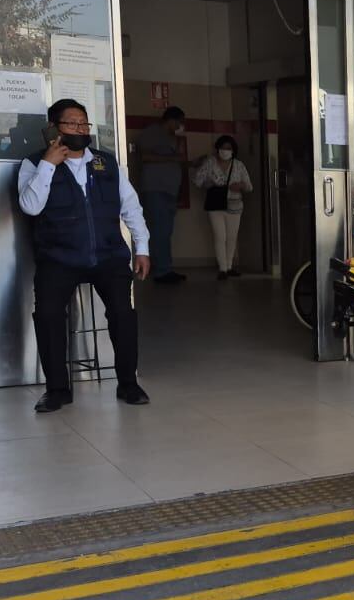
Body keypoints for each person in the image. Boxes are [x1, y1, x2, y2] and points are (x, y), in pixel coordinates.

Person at [17, 99, 153, 413]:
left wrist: (141, 248)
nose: (81, 129)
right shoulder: (34, 164)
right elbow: (30, 206)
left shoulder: (106, 163)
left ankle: (128, 384)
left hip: (107, 255)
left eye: (84, 124)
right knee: (48, 316)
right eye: (72, 124)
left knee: (123, 314)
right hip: (58, 257)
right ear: (53, 128)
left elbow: (131, 208)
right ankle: (57, 390)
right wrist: (49, 164)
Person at [191, 135, 255, 280]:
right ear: (217, 149)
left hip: (235, 205)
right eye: (222, 147)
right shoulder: (210, 163)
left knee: (232, 237)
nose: (225, 151)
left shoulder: (238, 165)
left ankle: (229, 266)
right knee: (220, 236)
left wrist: (240, 186)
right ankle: (223, 269)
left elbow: (249, 186)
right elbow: (197, 181)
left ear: (233, 150)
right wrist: (209, 183)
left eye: (228, 148)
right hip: (216, 205)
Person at [137, 106, 187, 284]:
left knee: (165, 231)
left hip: (169, 190)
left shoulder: (172, 138)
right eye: (179, 122)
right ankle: (161, 270)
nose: (180, 126)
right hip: (155, 189)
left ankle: (163, 267)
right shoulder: (151, 133)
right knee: (159, 231)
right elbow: (145, 157)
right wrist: (174, 159)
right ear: (172, 120)